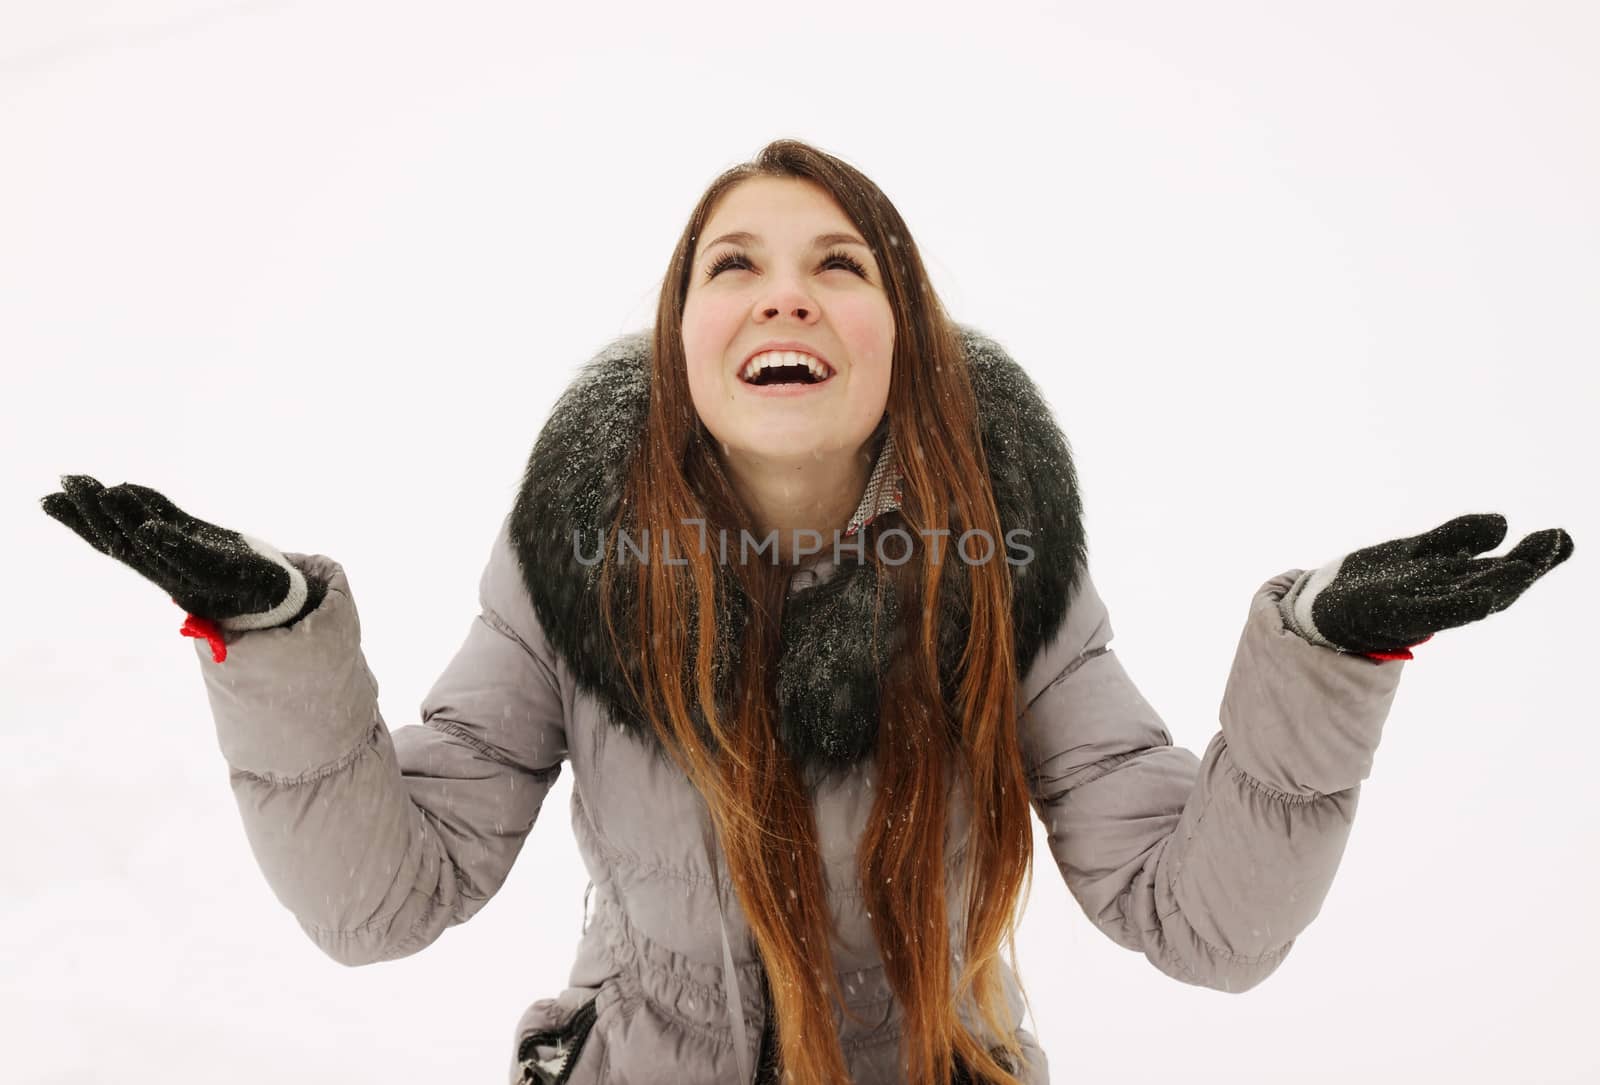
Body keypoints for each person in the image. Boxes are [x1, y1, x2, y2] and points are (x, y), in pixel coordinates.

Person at [41, 138, 1574, 1085]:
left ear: (898, 337)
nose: (785, 293)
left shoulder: (1004, 568)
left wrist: (1328, 649)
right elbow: (390, 897)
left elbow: (1205, 919)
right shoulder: (570, 569)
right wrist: (275, 633)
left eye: (839, 263)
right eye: (737, 264)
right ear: (685, 338)